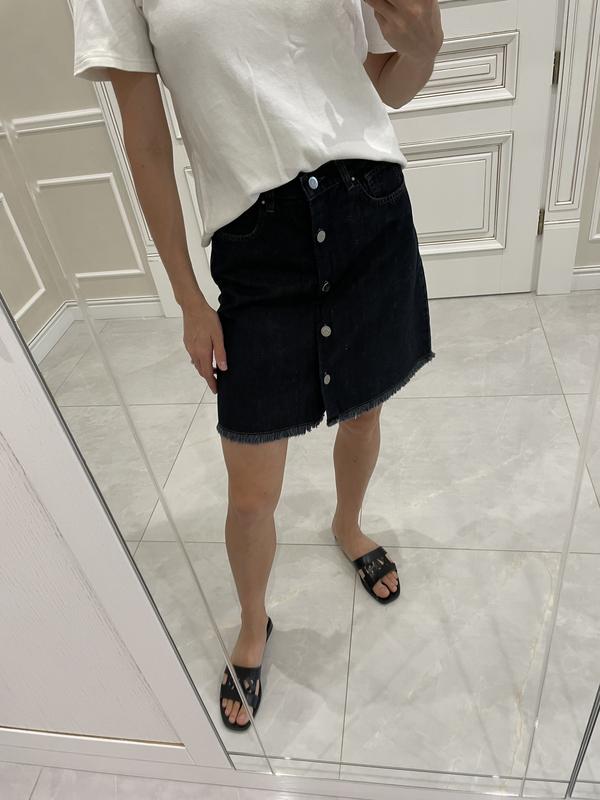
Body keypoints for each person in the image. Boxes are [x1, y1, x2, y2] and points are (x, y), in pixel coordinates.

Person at [72, 0, 443, 732]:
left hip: (366, 206)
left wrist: (424, 50)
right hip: (254, 242)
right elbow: (146, 143)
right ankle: (252, 624)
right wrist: (188, 297)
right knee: (250, 493)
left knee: (364, 414)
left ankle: (349, 526)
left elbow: (379, 85)